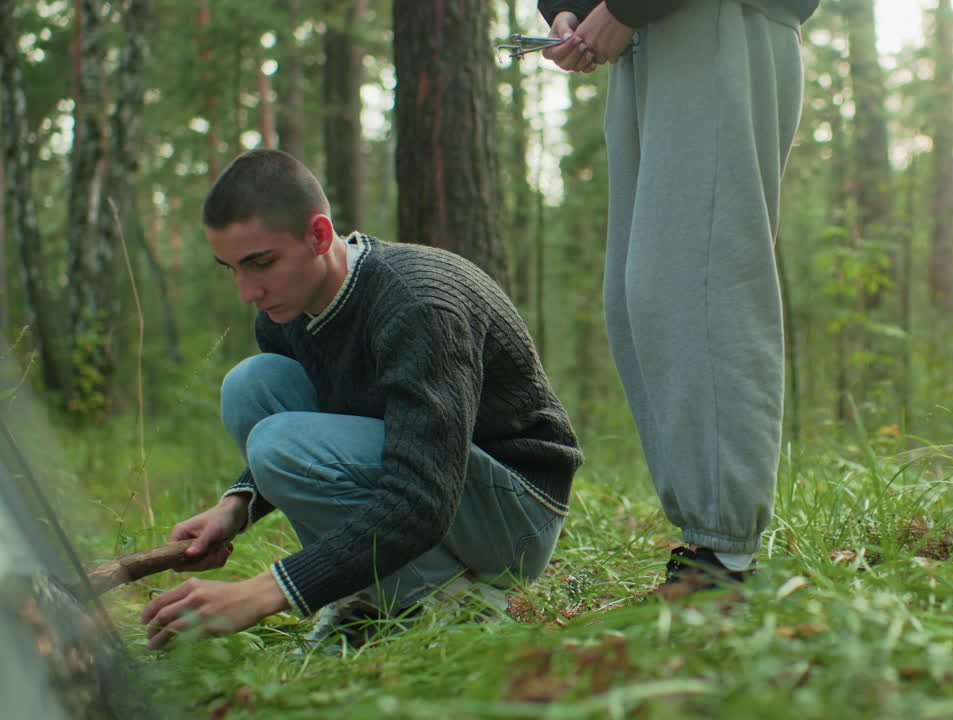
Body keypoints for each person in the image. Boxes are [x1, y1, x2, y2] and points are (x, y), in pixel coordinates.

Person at [141, 149, 582, 649]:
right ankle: (376, 594)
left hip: (516, 514)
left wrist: (264, 592)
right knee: (252, 386)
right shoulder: (285, 313)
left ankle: (452, 604)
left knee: (276, 442)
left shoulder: (418, 305)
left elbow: (422, 497)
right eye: (231, 269)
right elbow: (336, 434)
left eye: (260, 263)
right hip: (435, 483)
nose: (248, 291)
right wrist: (237, 504)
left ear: (319, 235)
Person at [536, 0, 817, 595]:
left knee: (700, 285)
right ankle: (707, 546)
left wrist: (624, 7)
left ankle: (726, 566)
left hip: (716, 16)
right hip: (647, 32)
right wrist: (570, 10)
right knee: (642, 297)